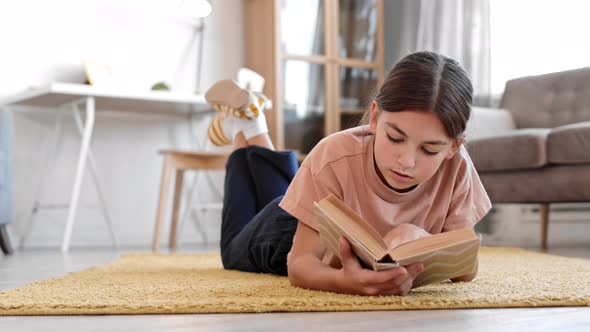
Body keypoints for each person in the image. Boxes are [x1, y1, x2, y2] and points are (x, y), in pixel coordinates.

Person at [205, 51, 492, 296]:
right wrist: (344, 282)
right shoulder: (335, 154)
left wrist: (420, 242)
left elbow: (465, 269)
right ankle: (250, 126)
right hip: (287, 232)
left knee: (285, 193)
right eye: (395, 138)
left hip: (323, 206)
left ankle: (247, 123)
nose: (407, 161)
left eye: (430, 150)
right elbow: (300, 263)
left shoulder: (458, 167)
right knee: (232, 250)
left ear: (454, 146)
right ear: (376, 117)